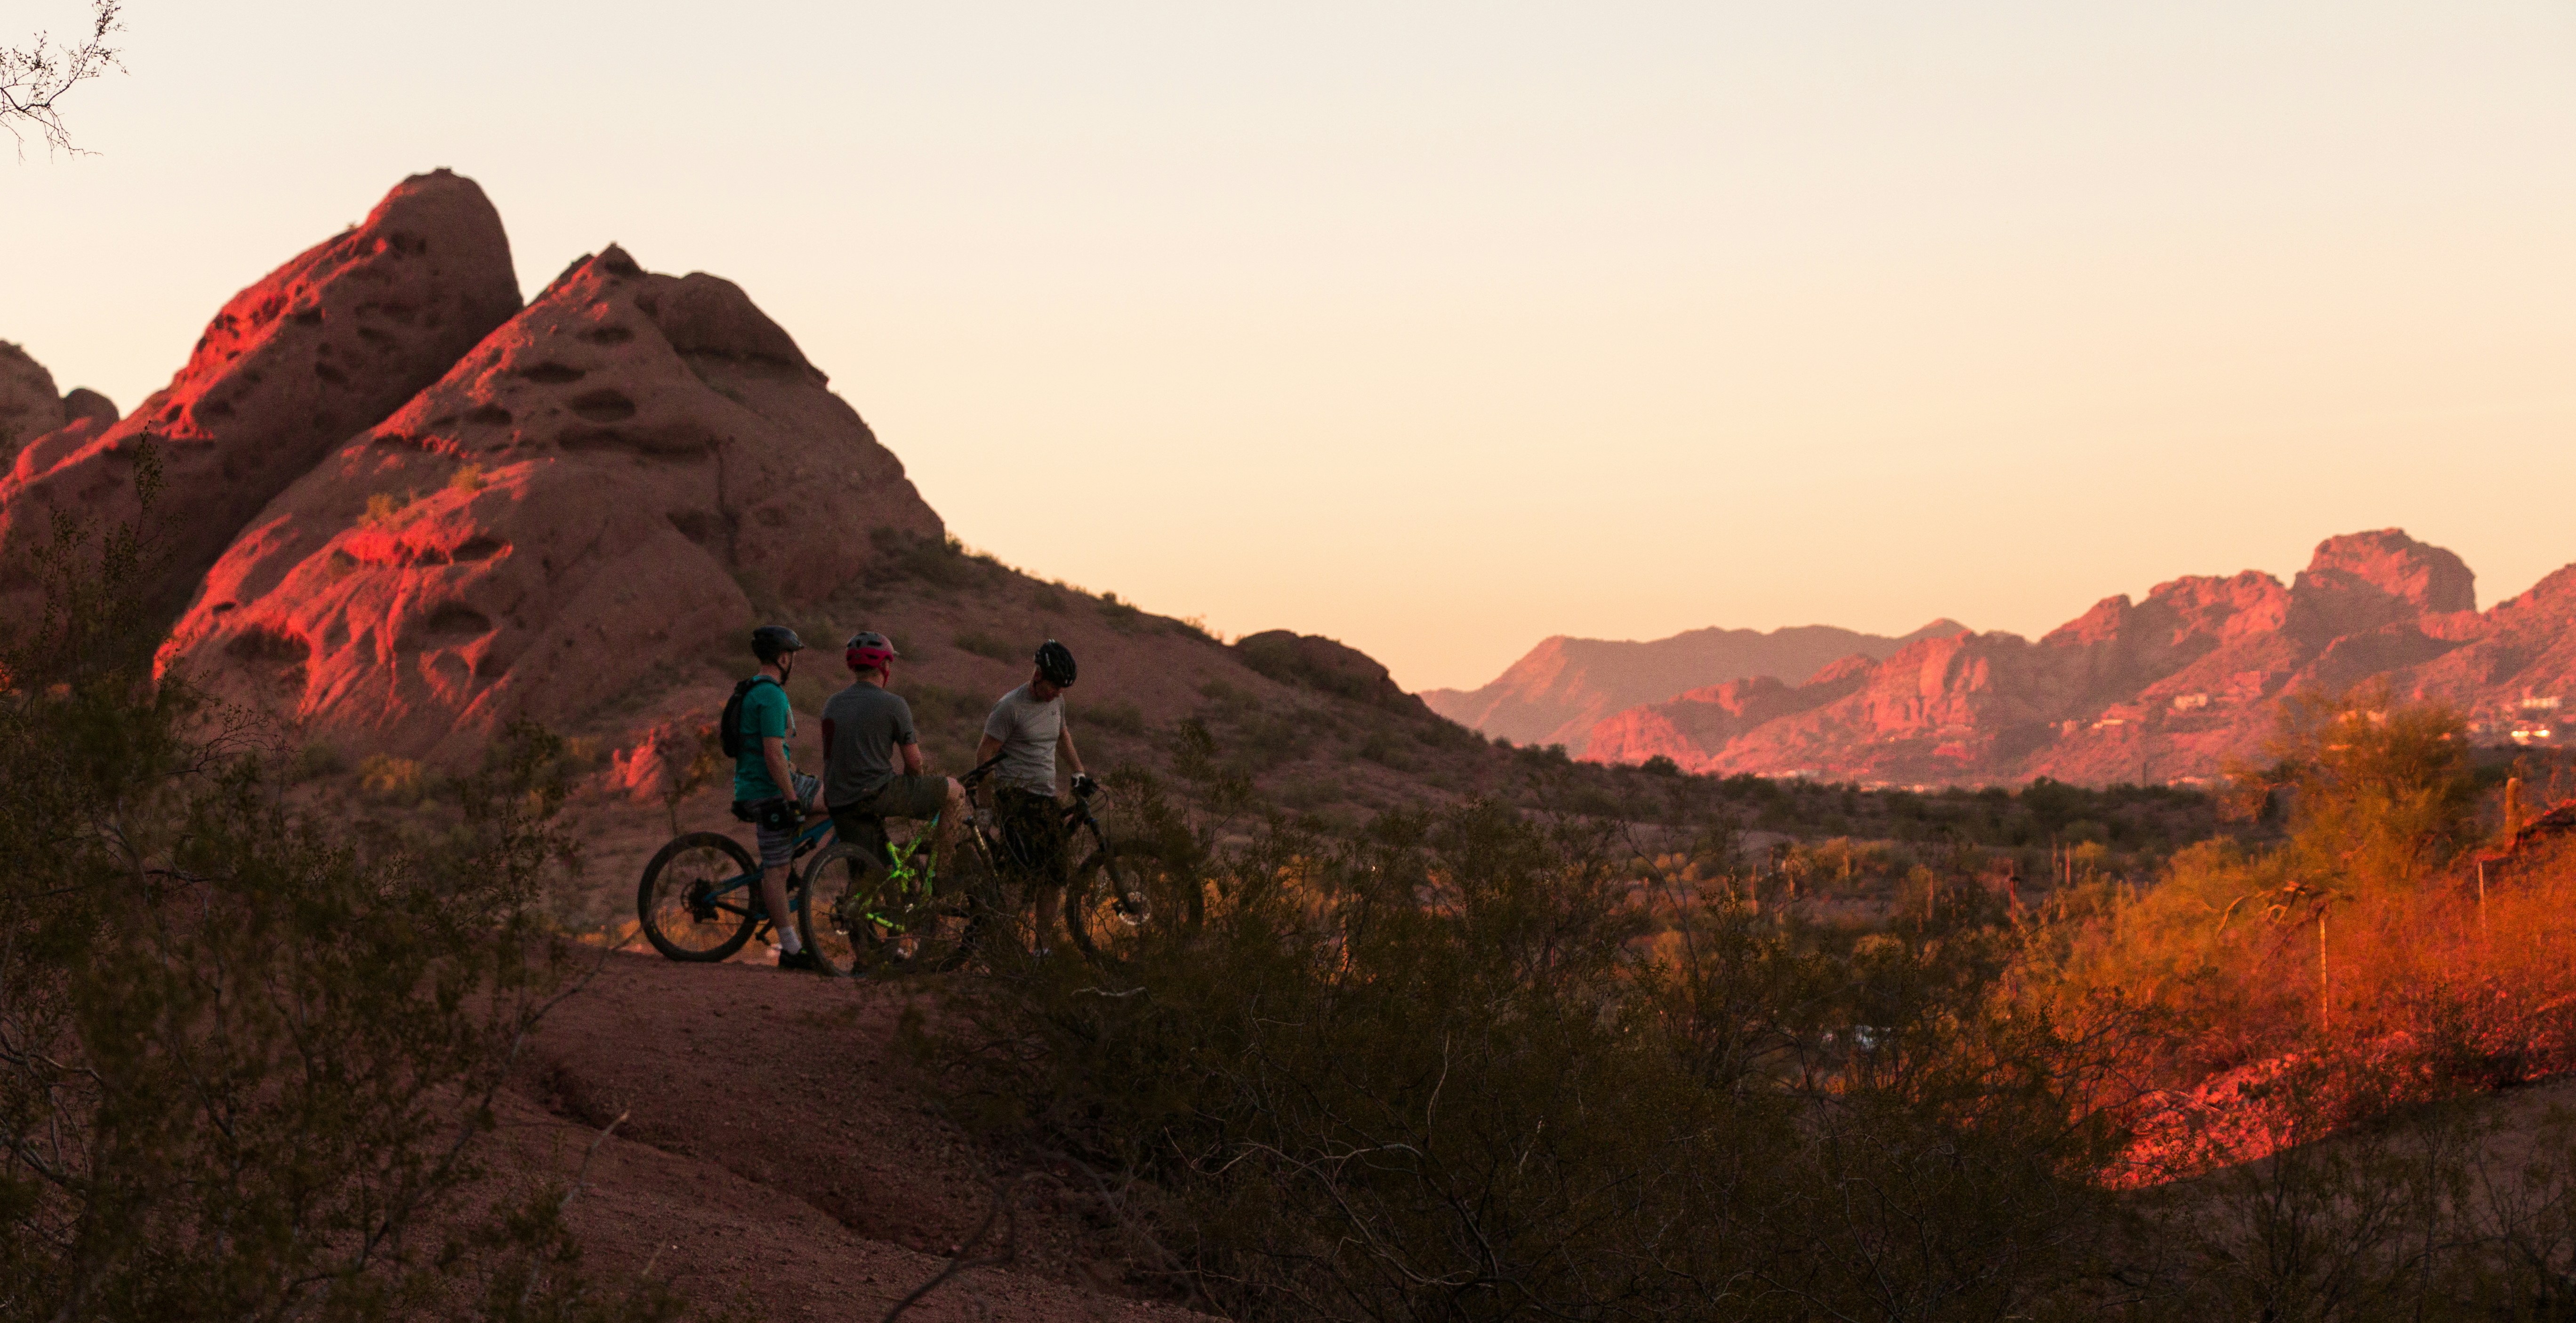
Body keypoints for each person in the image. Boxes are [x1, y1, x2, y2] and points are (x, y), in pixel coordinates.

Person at [975, 639, 1095, 952]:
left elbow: (1062, 735)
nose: (1058, 692)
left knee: (1054, 874)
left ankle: (1043, 950)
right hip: (1014, 796)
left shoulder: (1057, 703)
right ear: (1039, 675)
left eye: (1063, 688)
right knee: (1018, 873)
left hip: (1045, 797)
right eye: (1055, 685)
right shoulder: (1009, 707)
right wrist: (986, 806)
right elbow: (984, 754)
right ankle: (1001, 946)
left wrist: (1079, 771)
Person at [820, 631, 969, 862]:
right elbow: (914, 763)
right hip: (877, 793)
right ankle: (944, 875)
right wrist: (915, 783)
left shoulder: (832, 704)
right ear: (885, 665)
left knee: (870, 875)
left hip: (839, 799)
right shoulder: (894, 704)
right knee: (956, 792)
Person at [733, 624, 821, 971]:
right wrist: (793, 800)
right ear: (784, 658)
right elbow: (772, 754)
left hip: (759, 784)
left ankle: (792, 847)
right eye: (792, 657)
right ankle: (791, 949)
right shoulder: (771, 695)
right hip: (768, 791)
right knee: (777, 870)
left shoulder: (751, 689)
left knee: (839, 800)